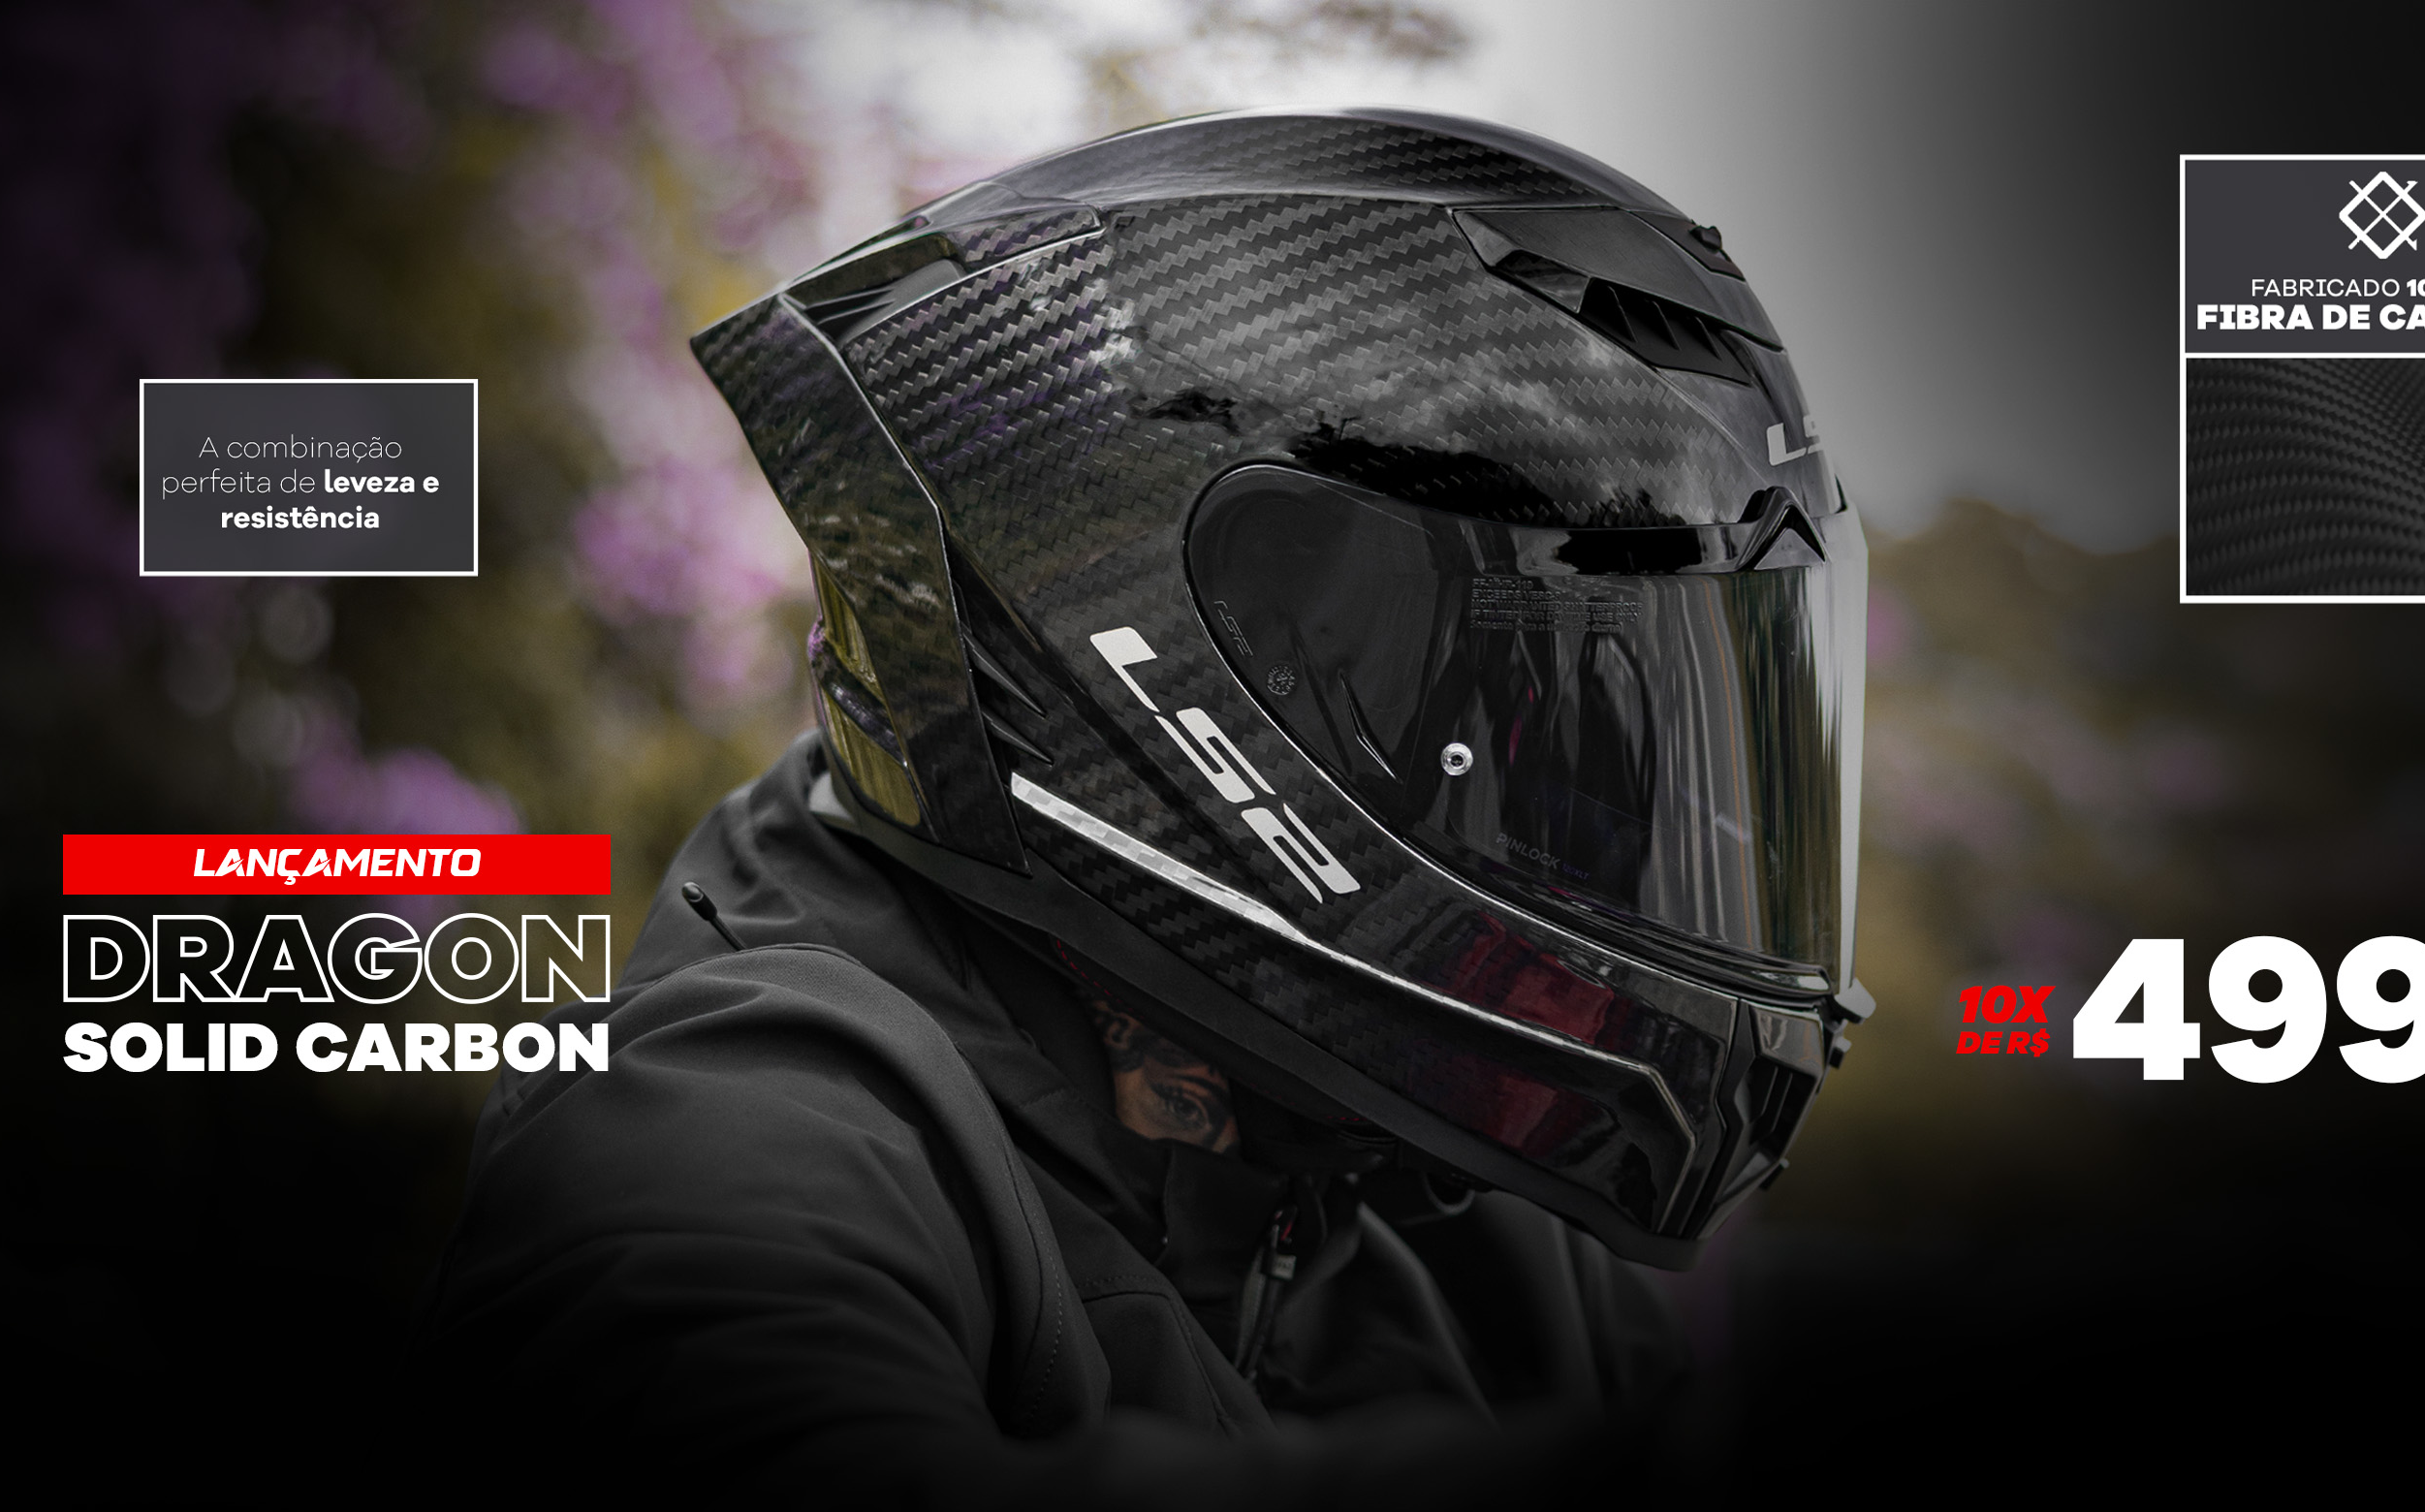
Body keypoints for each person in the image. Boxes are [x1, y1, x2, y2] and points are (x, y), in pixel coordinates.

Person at [413, 108, 1873, 1506]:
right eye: (1518, 734)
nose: (1620, 827)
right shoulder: (706, 1134)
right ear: (1199, 664)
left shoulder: (1442, 1181)